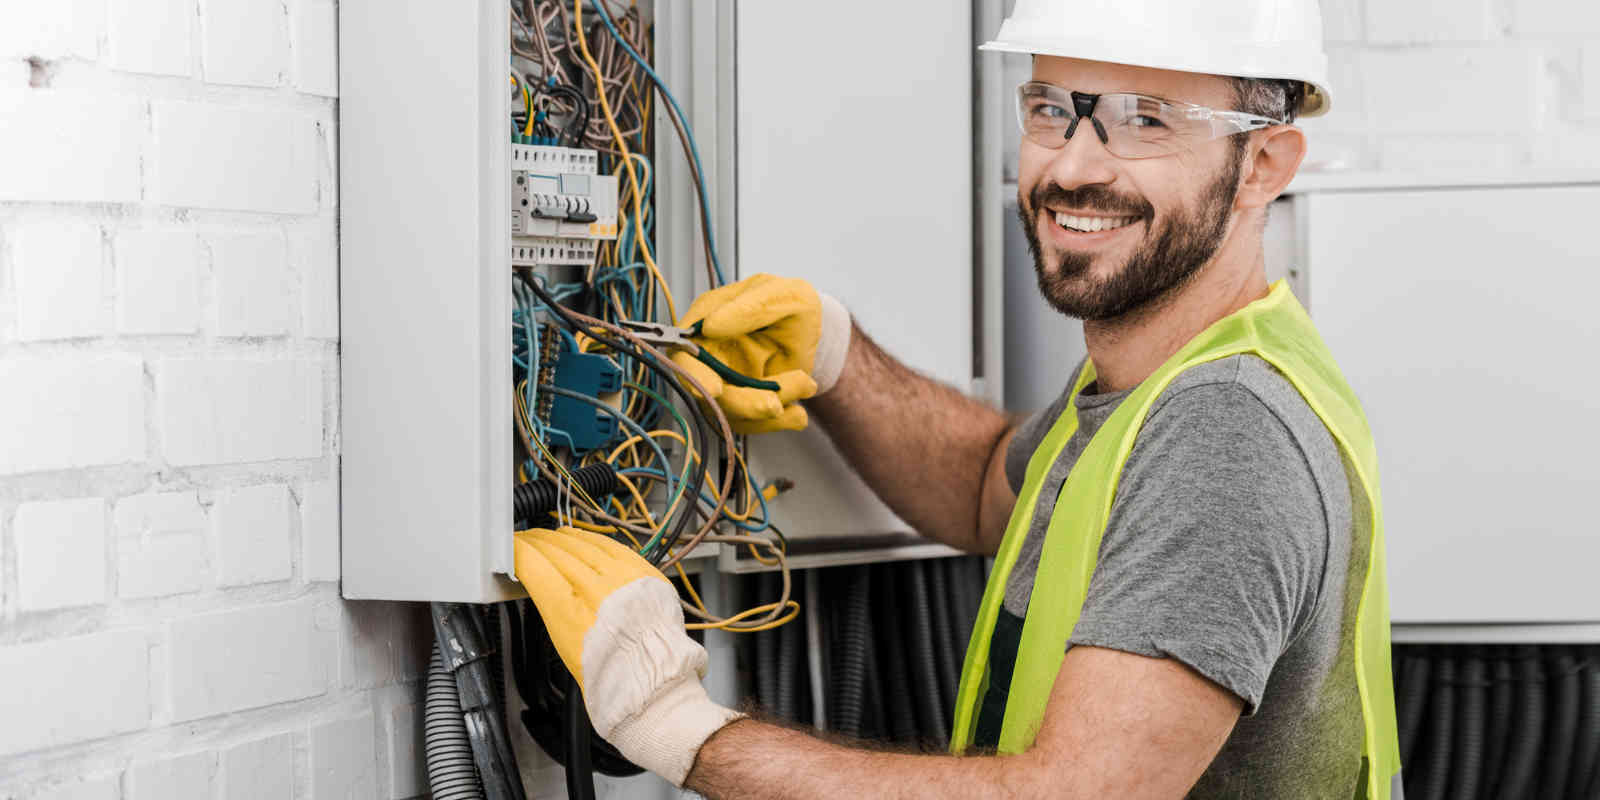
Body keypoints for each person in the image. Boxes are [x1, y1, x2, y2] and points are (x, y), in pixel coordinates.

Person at [514, 1, 1403, 796]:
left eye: (1147, 121)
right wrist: (837, 357)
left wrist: (679, 730)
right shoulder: (1157, 382)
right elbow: (986, 486)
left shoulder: (1223, 430)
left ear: (1263, 164)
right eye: (1053, 108)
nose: (1073, 167)